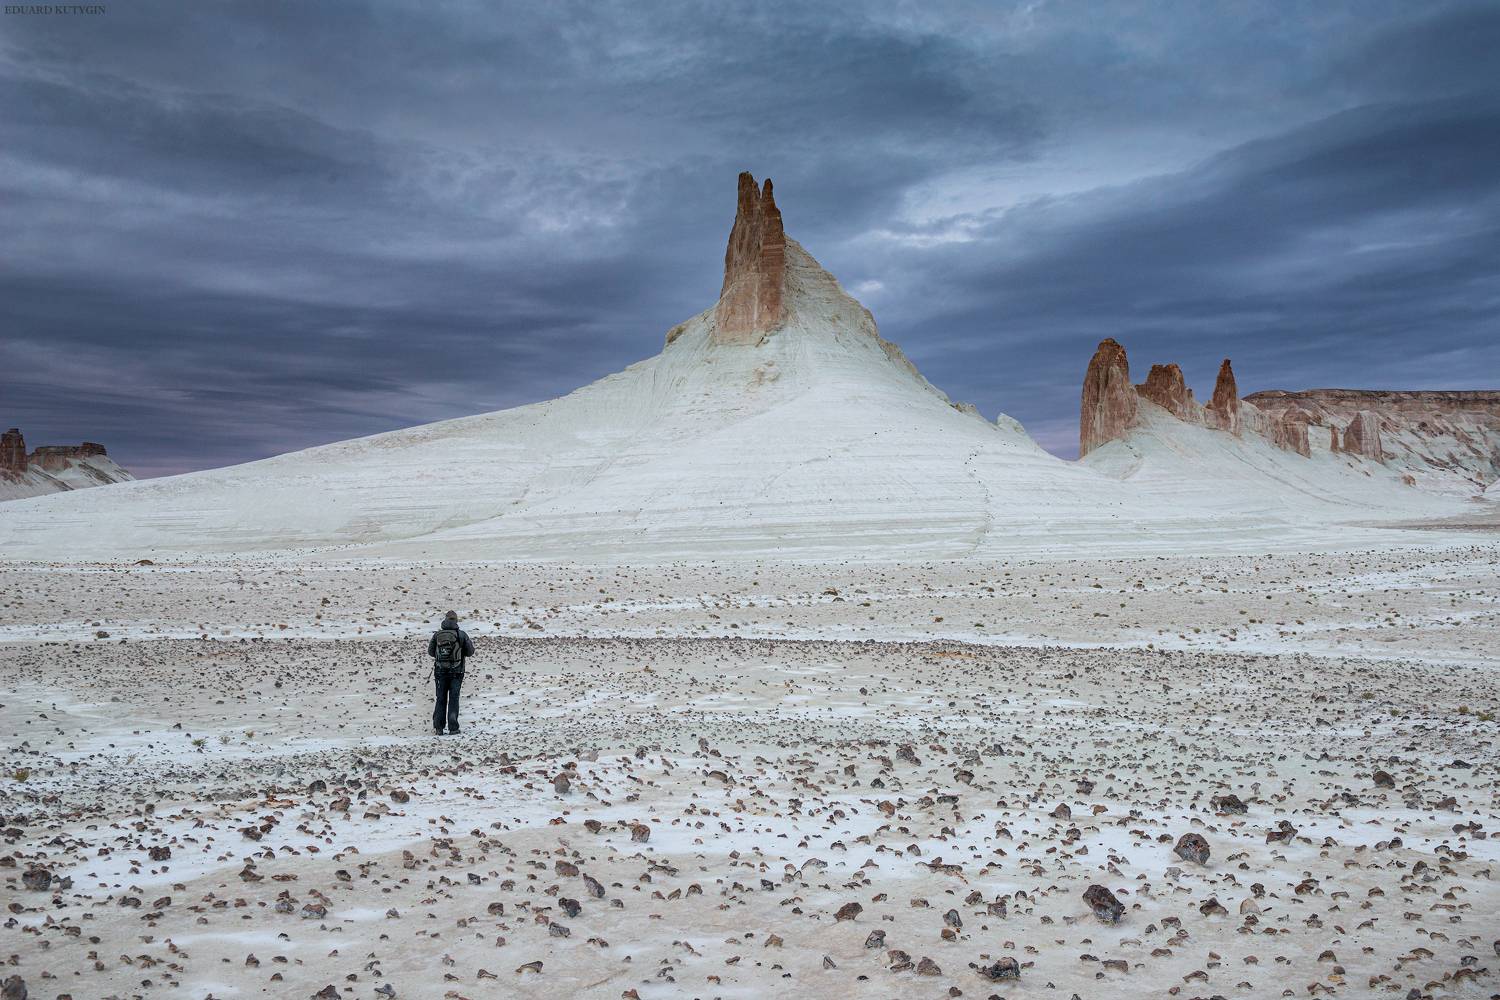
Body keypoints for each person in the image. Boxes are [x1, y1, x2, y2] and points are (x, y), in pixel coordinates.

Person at [427, 610, 474, 735]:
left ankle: (439, 728)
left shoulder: (437, 635)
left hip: (440, 671)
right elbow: (470, 652)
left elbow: (431, 652)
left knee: (440, 698)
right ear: (456, 620)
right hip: (457, 671)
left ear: (445, 619)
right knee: (454, 698)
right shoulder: (461, 634)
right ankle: (453, 726)